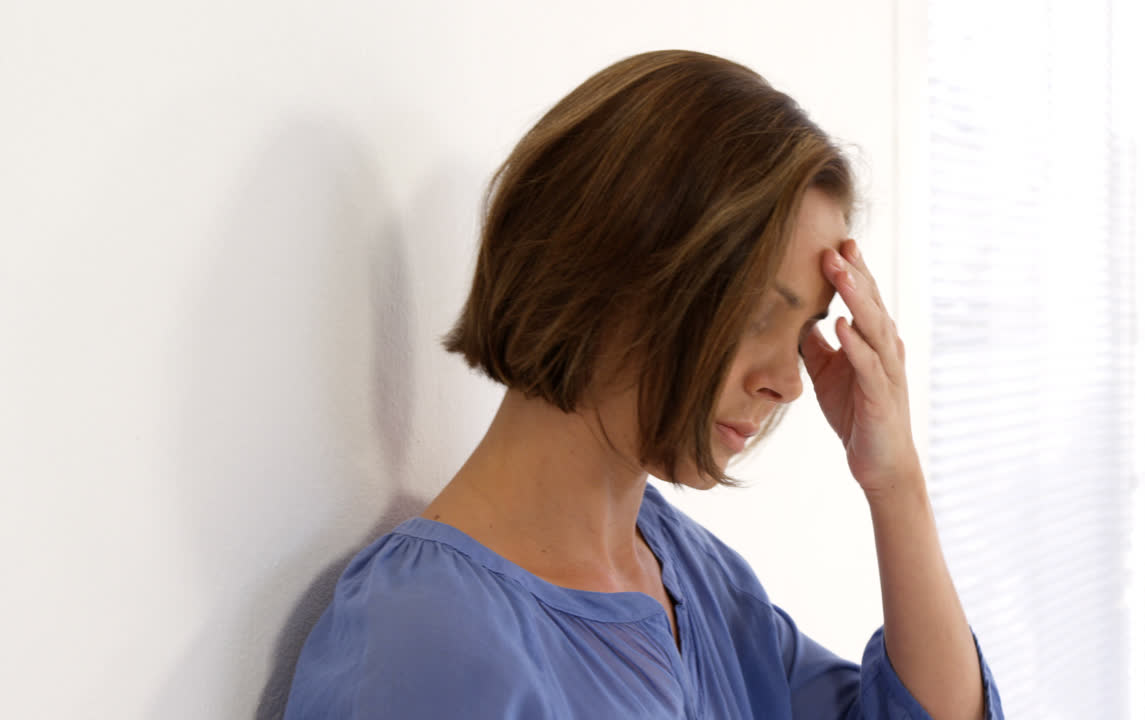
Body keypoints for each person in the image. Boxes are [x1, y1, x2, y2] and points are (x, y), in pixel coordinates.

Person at [282, 49, 1004, 719]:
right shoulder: (426, 641)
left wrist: (896, 482)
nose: (788, 383)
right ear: (613, 274)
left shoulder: (694, 578)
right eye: (758, 313)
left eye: (805, 329)